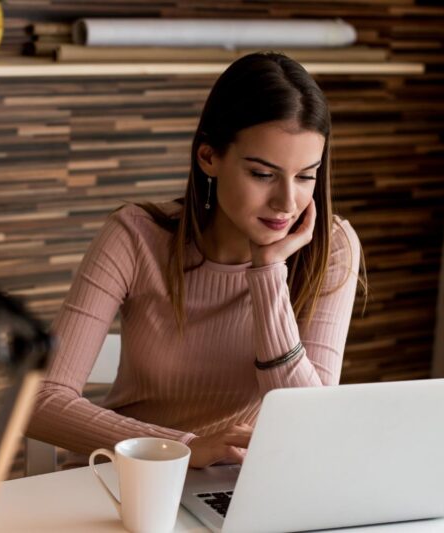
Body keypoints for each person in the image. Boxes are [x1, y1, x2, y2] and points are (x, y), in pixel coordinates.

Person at [25, 52, 365, 469]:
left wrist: (269, 272)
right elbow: (40, 401)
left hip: (240, 490)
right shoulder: (135, 236)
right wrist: (183, 447)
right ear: (209, 157)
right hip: (130, 481)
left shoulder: (332, 248)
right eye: (262, 174)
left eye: (306, 176)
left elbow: (310, 424)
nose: (287, 202)